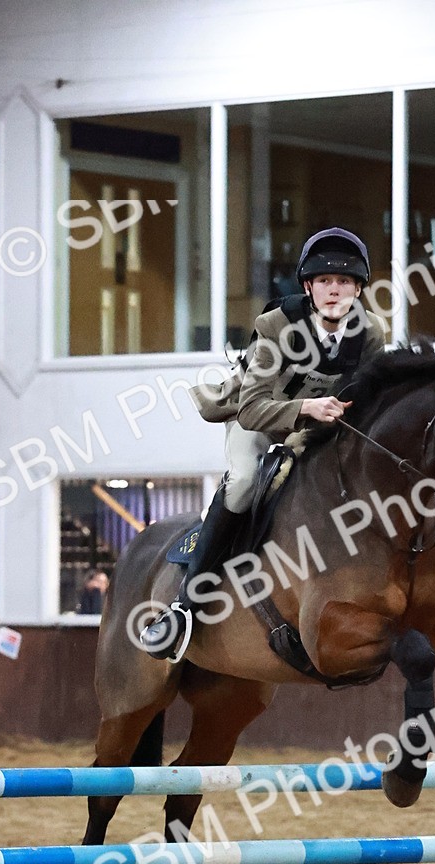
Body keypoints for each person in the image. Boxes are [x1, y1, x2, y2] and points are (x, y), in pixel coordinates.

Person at [141, 227, 388, 659]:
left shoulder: (369, 335)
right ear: (308, 287)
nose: (335, 290)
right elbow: (253, 408)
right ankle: (183, 607)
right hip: (255, 419)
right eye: (325, 281)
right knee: (242, 484)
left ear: (359, 289)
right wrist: (307, 408)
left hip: (316, 429)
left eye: (345, 281)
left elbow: (366, 402)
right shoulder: (276, 325)